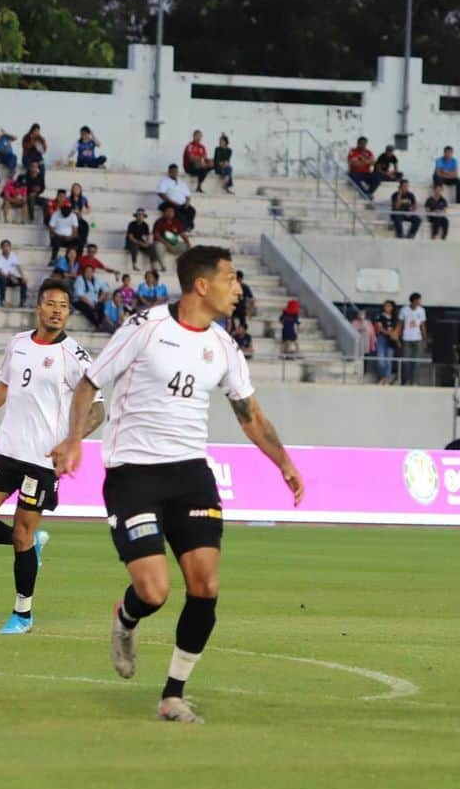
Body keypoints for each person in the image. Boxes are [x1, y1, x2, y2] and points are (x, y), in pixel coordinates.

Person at [50, 244, 304, 724]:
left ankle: (173, 694)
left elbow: (250, 415)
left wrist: (283, 461)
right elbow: (89, 383)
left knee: (205, 585)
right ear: (202, 285)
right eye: (231, 278)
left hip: (190, 475)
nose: (238, 287)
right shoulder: (145, 329)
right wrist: (73, 440)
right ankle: (125, 619)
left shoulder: (225, 346)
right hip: (134, 475)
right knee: (153, 592)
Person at [0, 278, 104, 633]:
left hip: (42, 461)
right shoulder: (18, 344)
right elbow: (6, 384)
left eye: (63, 306)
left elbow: (99, 411)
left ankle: (22, 614)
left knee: (22, 536)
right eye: (51, 304)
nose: (57, 311)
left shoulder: (75, 355)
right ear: (38, 308)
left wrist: (73, 440)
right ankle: (31, 546)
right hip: (7, 452)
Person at [398, 293, 428, 385]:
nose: (420, 302)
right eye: (418, 300)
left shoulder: (422, 310)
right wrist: (398, 339)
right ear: (414, 301)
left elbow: (422, 325)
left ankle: (414, 381)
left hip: (417, 338)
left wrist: (424, 339)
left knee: (417, 361)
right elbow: (400, 324)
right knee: (406, 361)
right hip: (406, 338)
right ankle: (405, 381)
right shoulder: (404, 310)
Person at [155, 163, 196, 231]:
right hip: (168, 203)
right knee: (178, 213)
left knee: (191, 210)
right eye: (173, 171)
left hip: (181, 204)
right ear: (169, 172)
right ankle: (184, 227)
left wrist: (187, 203)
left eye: (176, 171)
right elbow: (161, 194)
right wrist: (172, 202)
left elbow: (188, 195)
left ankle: (188, 226)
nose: (174, 173)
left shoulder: (181, 182)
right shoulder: (164, 181)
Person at [0, 239, 27, 308]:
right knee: (3, 278)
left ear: (10, 247)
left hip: (12, 277)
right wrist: (11, 277)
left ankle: (23, 301)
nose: (6, 248)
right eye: (4, 246)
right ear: (1, 248)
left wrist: (23, 276)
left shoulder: (13, 255)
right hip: (3, 278)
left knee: (24, 281)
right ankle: (3, 300)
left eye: (8, 246)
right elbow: (0, 272)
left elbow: (18, 267)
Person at [374, 300, 400, 384]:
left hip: (392, 339)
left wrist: (397, 339)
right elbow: (379, 327)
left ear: (392, 307)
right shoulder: (379, 316)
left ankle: (387, 378)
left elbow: (398, 328)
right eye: (385, 306)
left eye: (389, 306)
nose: (387, 308)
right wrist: (389, 333)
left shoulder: (395, 317)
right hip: (382, 338)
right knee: (380, 359)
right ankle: (382, 376)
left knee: (389, 360)